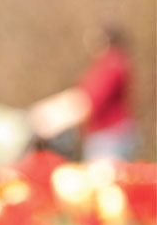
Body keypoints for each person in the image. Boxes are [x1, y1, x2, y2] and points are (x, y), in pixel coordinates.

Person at [28, 24, 139, 161]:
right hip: (109, 135)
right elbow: (83, 94)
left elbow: (88, 101)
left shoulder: (112, 63)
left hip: (109, 136)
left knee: (101, 181)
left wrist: (52, 119)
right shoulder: (113, 63)